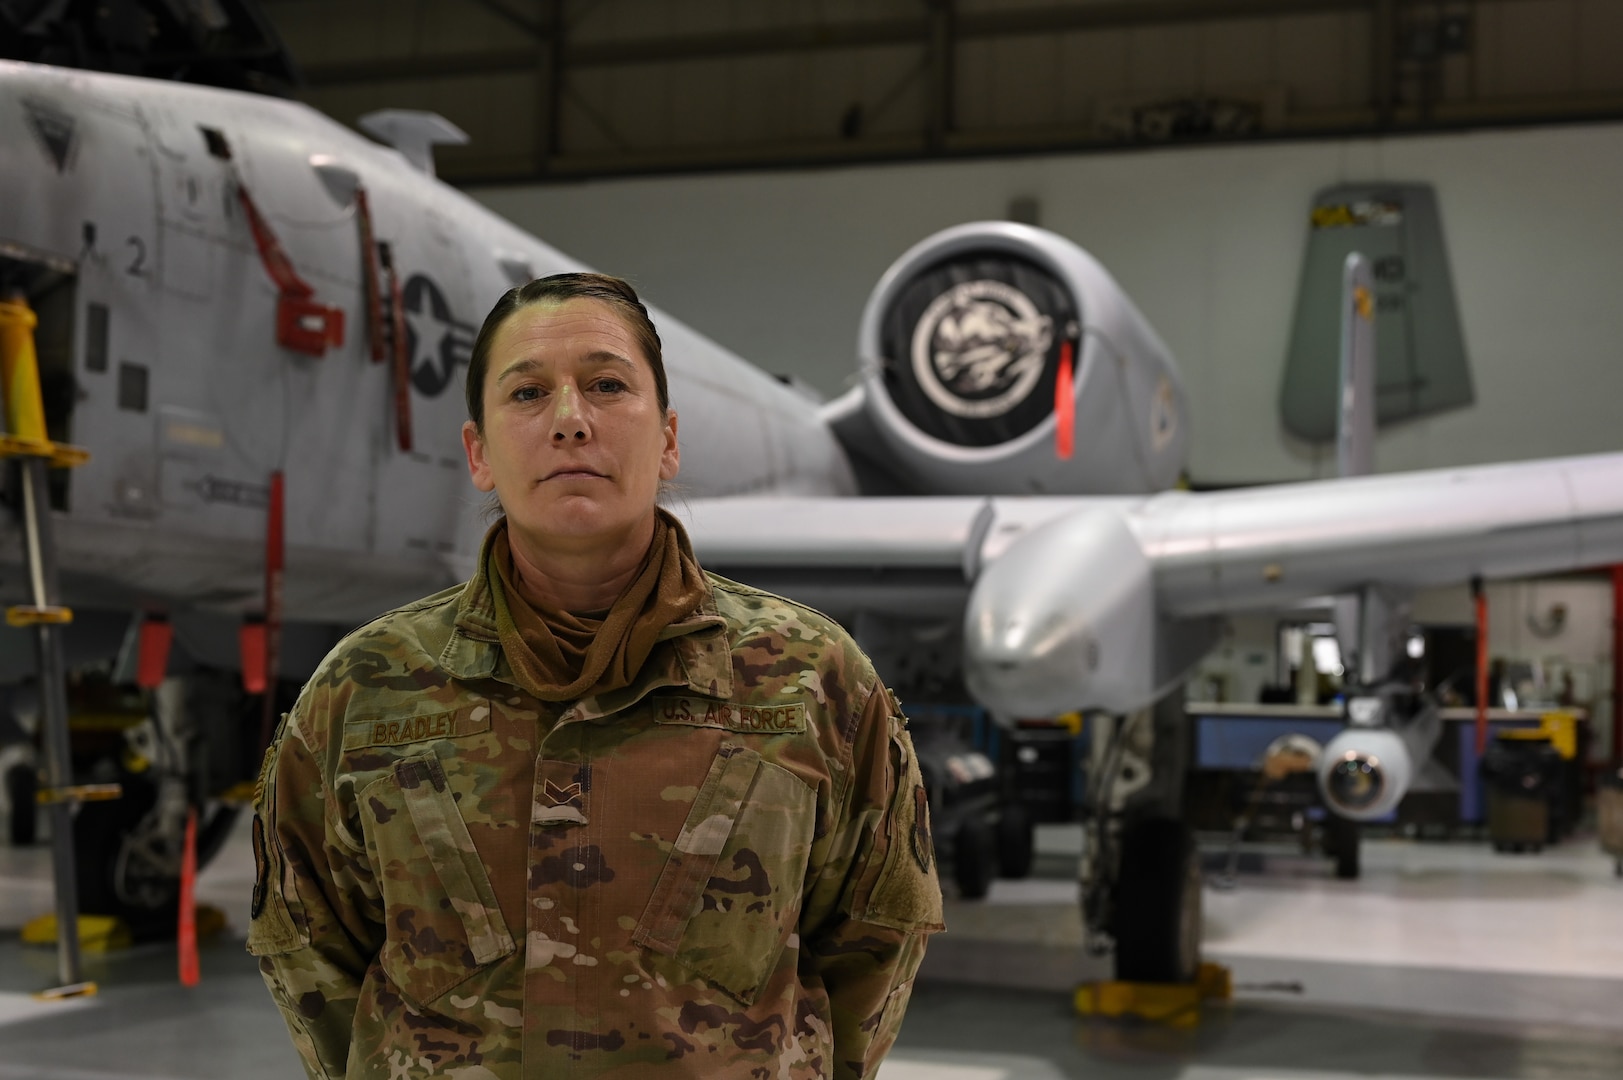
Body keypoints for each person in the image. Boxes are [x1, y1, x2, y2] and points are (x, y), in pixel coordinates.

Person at [248, 272, 944, 1079]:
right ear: (478, 453)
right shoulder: (363, 692)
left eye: (607, 385)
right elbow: (308, 951)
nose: (571, 421)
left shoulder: (809, 681)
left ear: (670, 439)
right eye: (528, 393)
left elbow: (875, 938)